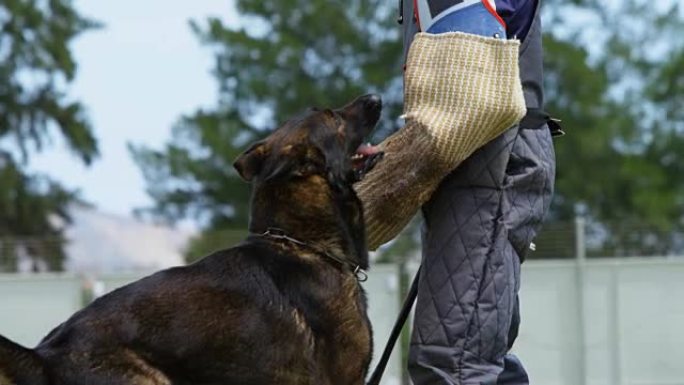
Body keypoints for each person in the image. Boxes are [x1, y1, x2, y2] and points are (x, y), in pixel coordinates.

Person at [355, 0, 557, 383]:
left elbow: (472, 103)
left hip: (492, 159)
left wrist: (388, 177)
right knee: (474, 358)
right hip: (476, 161)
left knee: (453, 364)